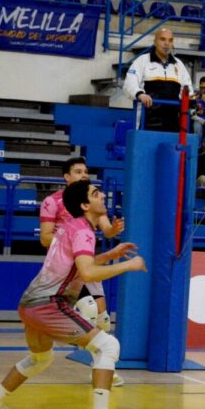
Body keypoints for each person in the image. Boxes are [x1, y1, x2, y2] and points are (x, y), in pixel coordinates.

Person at [0, 180, 147, 409]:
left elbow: (79, 265)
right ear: (84, 205)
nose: (102, 196)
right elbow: (88, 273)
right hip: (49, 304)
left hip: (29, 304)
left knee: (40, 360)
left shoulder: (72, 227)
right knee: (109, 346)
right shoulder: (84, 232)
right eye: (96, 193)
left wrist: (111, 255)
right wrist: (128, 266)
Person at [40, 157, 125, 388]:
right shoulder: (52, 202)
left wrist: (113, 229)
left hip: (87, 262)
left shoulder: (92, 198)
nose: (84, 175)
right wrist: (68, 236)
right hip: (67, 267)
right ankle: (68, 333)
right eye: (78, 171)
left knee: (103, 319)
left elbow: (106, 230)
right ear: (66, 177)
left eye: (85, 171)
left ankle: (101, 367)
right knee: (86, 310)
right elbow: (44, 238)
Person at [123, 27, 193, 132]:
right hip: (146, 124)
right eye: (162, 39)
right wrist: (140, 94)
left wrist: (188, 98)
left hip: (173, 125)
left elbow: (188, 89)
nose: (167, 43)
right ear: (155, 42)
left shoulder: (179, 65)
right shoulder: (142, 61)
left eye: (170, 40)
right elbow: (129, 83)